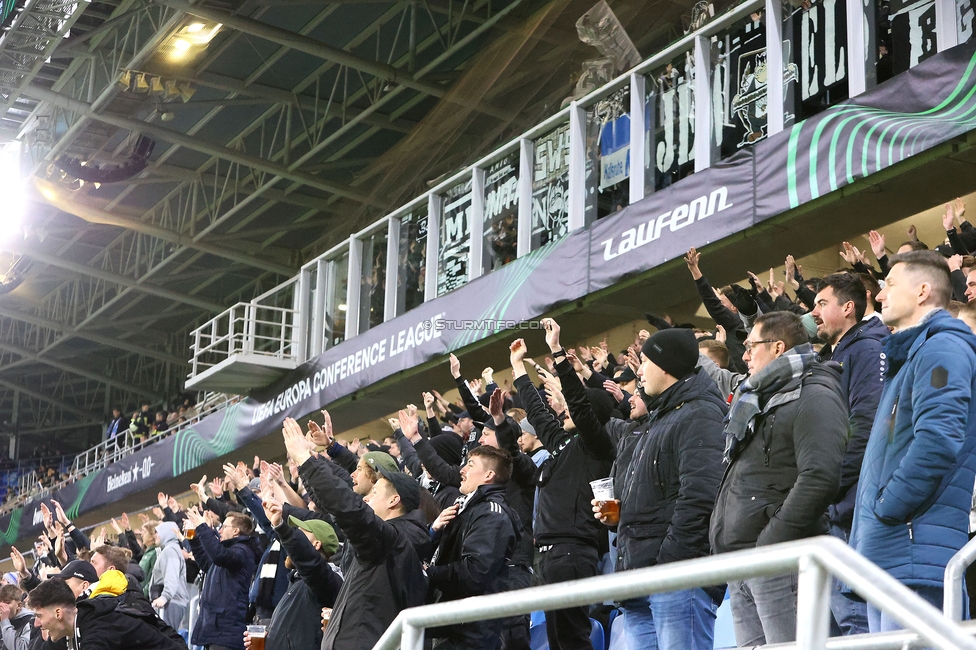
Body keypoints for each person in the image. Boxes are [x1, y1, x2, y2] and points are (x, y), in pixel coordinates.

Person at [850, 251, 976, 632]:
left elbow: (938, 438)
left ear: (922, 292)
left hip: (913, 550)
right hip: (894, 552)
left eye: (888, 285)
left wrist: (889, 505)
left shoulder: (942, 348)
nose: (880, 296)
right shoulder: (913, 355)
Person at [709, 311, 848, 646]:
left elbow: (820, 476)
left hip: (780, 561)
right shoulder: (759, 397)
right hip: (744, 562)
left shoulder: (814, 393)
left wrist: (770, 542)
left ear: (777, 347)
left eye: (750, 346)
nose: (743, 355)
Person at [592, 328, 727, 649]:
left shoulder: (701, 413)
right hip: (640, 577)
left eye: (646, 361)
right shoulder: (658, 418)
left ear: (666, 366)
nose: (639, 370)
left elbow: (700, 499)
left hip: (676, 578)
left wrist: (667, 565)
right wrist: (618, 518)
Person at [281, 416, 431, 650]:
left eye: (375, 492)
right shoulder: (390, 542)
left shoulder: (392, 541)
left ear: (394, 500)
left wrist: (306, 461)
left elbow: (350, 509)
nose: (367, 497)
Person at [510, 332, 613, 650]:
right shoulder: (564, 444)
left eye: (573, 409)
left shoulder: (597, 447)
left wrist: (557, 353)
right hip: (551, 557)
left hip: (573, 554)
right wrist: (517, 369)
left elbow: (581, 407)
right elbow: (538, 415)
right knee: (558, 641)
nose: (565, 411)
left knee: (571, 640)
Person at [810, 273, 889, 636]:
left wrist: (833, 484)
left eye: (821, 303)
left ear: (848, 307)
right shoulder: (835, 355)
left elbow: (867, 423)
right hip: (837, 505)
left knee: (858, 622)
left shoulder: (867, 349)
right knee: (844, 624)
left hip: (851, 503)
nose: (813, 311)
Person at [426, 445, 519, 650]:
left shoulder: (491, 514)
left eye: (470, 464)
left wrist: (429, 574)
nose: (462, 470)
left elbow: (476, 572)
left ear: (488, 475)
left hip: (472, 631)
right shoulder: (469, 508)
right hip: (455, 622)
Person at [27, 577, 186, 650]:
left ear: (58, 613)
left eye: (39, 616)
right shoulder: (68, 629)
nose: (36, 623)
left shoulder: (100, 627)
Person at [184, 509, 258, 650]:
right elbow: (207, 563)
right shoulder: (228, 551)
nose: (220, 530)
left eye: (224, 527)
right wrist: (193, 538)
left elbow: (219, 556)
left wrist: (202, 527)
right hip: (214, 628)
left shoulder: (243, 551)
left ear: (236, 531)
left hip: (227, 631)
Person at [148, 522, 189, 632]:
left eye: (158, 532)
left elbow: (172, 575)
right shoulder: (171, 549)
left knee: (167, 639)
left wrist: (165, 597)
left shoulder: (170, 551)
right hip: (170, 603)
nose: (155, 535)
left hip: (170, 604)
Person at [0, 584, 35, 650]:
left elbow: (23, 647)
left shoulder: (29, 621)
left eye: (7, 603)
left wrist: (5, 621)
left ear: (18, 605)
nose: (1, 607)